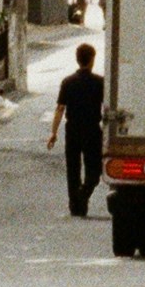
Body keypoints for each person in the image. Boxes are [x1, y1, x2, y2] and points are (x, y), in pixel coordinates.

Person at [47, 39, 107, 217]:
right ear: (92, 60)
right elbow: (107, 107)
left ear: (77, 59)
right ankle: (84, 194)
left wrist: (53, 132)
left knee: (73, 168)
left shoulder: (68, 82)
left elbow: (60, 108)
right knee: (94, 170)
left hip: (72, 129)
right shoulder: (99, 82)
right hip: (92, 129)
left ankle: (75, 204)